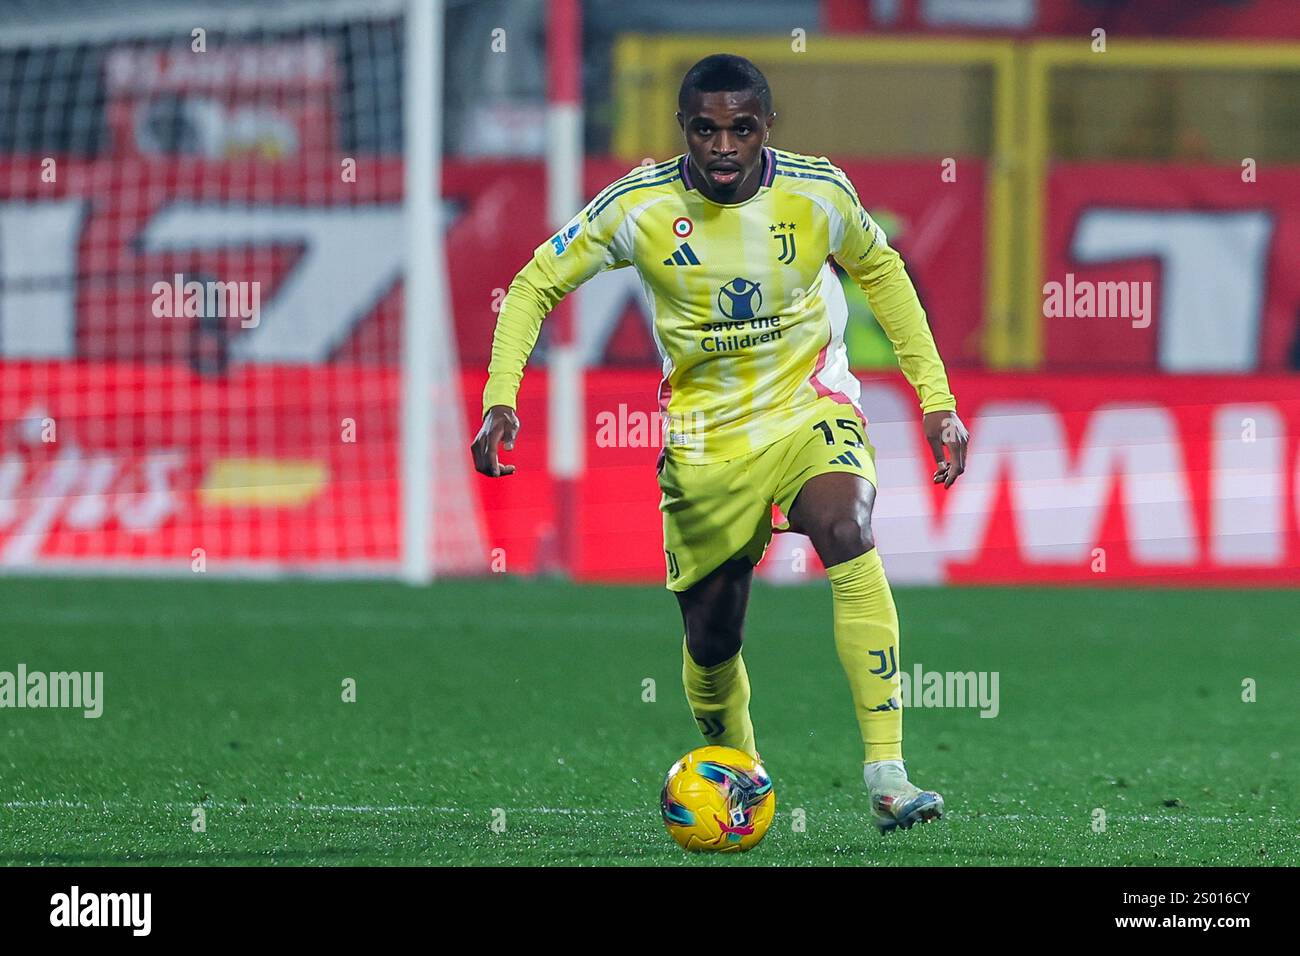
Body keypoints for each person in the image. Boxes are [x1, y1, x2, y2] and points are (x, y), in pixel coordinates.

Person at [472, 53, 969, 833]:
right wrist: (501, 395)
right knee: (713, 638)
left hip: (811, 407)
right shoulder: (639, 207)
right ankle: (744, 774)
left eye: (742, 128)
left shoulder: (818, 192)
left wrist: (935, 400)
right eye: (707, 129)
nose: (725, 146)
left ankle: (888, 771)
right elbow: (535, 282)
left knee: (849, 528)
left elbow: (884, 272)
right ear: (684, 132)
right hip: (704, 439)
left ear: (768, 126)